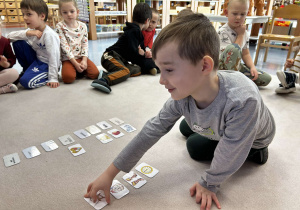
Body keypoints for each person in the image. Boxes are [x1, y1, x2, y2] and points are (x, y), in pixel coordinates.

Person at [84, 14, 275, 210]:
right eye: (160, 70)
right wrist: (110, 172)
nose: (161, 80)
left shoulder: (243, 100)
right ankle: (208, 127)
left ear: (204, 66)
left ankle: (257, 151)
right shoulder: (184, 95)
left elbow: (231, 152)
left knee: (194, 146)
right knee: (186, 126)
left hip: (255, 138)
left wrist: (209, 183)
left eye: (169, 70)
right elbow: (153, 129)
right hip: (219, 120)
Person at [94, 3, 159, 94]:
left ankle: (106, 74)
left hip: (119, 59)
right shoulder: (133, 32)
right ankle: (104, 80)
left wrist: (144, 54)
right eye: (150, 21)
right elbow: (133, 56)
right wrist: (142, 53)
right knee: (125, 71)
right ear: (147, 20)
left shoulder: (137, 32)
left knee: (138, 70)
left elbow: (138, 53)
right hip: (110, 56)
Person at [7, 0, 60, 89]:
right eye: (23, 14)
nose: (24, 17)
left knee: (25, 81)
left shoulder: (49, 35)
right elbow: (8, 37)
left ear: (42, 16)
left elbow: (54, 57)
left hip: (46, 64)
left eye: (28, 14)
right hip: (36, 60)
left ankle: (45, 76)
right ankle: (27, 70)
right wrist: (28, 33)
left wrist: (53, 78)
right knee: (18, 42)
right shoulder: (32, 31)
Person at [218, 0, 271, 86]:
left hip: (237, 67)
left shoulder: (244, 33)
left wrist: (252, 67)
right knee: (234, 49)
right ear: (226, 13)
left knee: (265, 78)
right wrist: (240, 35)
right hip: (222, 69)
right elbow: (232, 53)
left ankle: (239, 79)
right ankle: (233, 81)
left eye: (242, 14)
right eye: (235, 14)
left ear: (247, 14)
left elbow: (245, 54)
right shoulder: (222, 32)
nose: (238, 17)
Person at [56, 0, 99, 84]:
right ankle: (77, 69)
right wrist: (75, 64)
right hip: (68, 59)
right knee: (68, 78)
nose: (69, 14)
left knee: (95, 74)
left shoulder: (83, 26)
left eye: (72, 11)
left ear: (77, 12)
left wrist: (84, 60)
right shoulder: (60, 26)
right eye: (65, 12)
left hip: (80, 57)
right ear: (61, 14)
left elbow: (85, 44)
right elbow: (65, 47)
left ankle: (79, 70)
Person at [0, 22, 19, 94]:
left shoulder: (3, 41)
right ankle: (3, 89)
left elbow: (12, 58)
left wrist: (6, 64)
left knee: (14, 73)